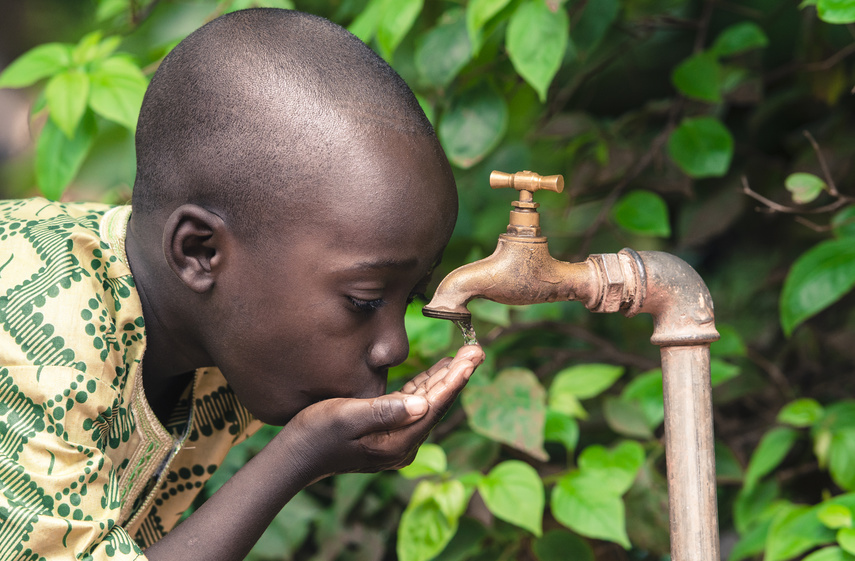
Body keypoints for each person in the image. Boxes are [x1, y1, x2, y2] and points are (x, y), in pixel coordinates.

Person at [0, 8, 485, 561]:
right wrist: (298, 456)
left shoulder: (213, 339)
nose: (394, 346)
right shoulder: (42, 344)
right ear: (200, 252)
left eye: (410, 297)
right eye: (364, 300)